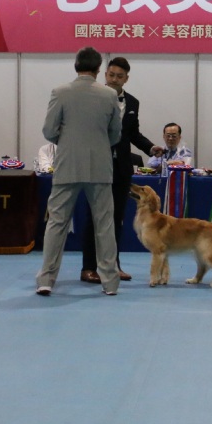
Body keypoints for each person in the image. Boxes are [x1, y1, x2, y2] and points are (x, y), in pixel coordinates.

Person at [35, 47, 122, 296]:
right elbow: (115, 134)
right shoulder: (109, 95)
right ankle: (110, 282)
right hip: (100, 166)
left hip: (67, 165)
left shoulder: (60, 92)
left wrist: (67, 140)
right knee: (104, 224)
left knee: (57, 223)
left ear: (76, 66)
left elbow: (48, 130)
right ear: (98, 69)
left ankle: (46, 279)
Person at [79, 56, 160, 284]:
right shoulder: (91, 97)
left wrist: (150, 148)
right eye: (111, 75)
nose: (115, 79)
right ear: (105, 75)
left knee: (117, 218)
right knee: (94, 217)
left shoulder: (132, 102)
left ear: (126, 79)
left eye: (120, 76)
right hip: (96, 165)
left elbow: (133, 133)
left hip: (122, 168)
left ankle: (113, 265)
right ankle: (88, 267)